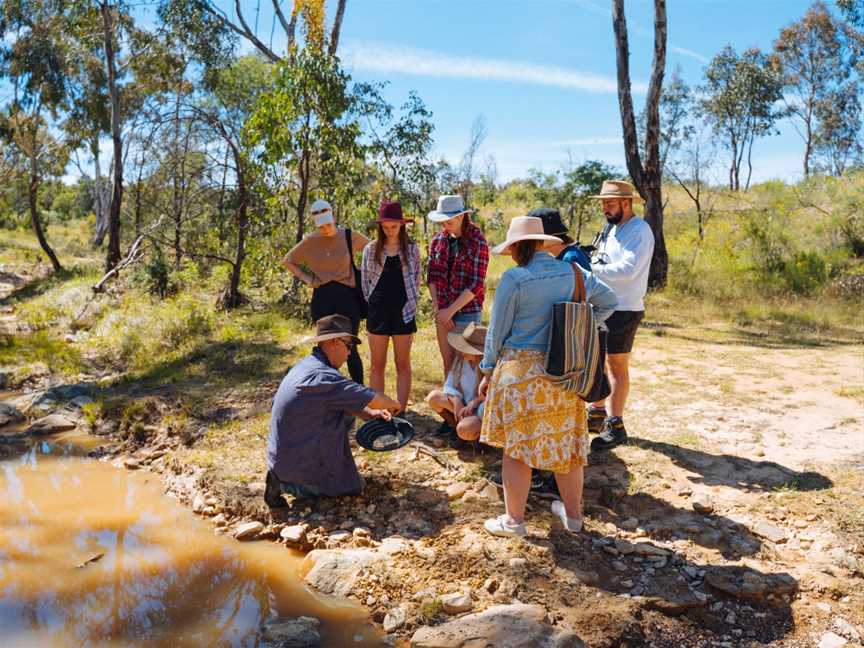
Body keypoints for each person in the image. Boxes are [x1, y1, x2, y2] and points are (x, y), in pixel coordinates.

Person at [478, 216, 617, 538]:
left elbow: (497, 333)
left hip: (520, 372)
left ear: (514, 248)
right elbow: (609, 300)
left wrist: (486, 370)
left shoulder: (515, 278)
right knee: (568, 448)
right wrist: (581, 325)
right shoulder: (572, 271)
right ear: (541, 242)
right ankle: (574, 517)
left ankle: (514, 522)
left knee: (518, 450)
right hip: (565, 371)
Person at [265, 315, 401, 506]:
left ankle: (283, 479)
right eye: (349, 347)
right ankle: (307, 483)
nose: (349, 354)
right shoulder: (324, 377)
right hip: (296, 470)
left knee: (343, 413)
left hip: (278, 460)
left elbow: (347, 400)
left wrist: (371, 414)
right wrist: (395, 405)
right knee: (354, 487)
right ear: (335, 342)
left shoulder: (307, 365)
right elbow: (374, 397)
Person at [586, 181, 655, 452]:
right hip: (602, 304)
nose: (605, 208)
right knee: (597, 360)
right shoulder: (609, 229)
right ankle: (598, 411)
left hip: (624, 307)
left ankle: (616, 424)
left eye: (610, 203)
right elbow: (603, 260)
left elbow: (628, 269)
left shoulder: (640, 230)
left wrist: (588, 269)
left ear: (627, 203)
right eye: (603, 203)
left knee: (617, 366)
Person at [282, 199, 369, 384]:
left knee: (350, 347)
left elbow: (373, 250)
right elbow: (288, 260)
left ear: (334, 217)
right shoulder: (310, 241)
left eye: (328, 224)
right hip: (322, 297)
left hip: (348, 297)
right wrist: (308, 279)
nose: (326, 228)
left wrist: (366, 273)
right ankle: (325, 390)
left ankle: (360, 393)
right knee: (324, 348)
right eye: (321, 226)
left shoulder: (349, 235)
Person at [360, 201, 421, 414]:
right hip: (378, 311)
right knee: (377, 364)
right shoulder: (370, 249)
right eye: (385, 226)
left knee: (402, 363)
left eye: (393, 226)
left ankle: (401, 411)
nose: (389, 230)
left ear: (402, 225)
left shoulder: (412, 250)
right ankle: (380, 411)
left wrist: (411, 303)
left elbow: (416, 278)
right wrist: (374, 303)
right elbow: (365, 280)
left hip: (404, 310)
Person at [426, 195, 490, 383]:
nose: (445, 225)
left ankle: (469, 410)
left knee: (468, 366)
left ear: (461, 217)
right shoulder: (438, 240)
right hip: (443, 313)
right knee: (448, 364)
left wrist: (450, 311)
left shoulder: (478, 242)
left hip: (467, 312)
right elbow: (432, 277)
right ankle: (452, 407)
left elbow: (476, 284)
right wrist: (440, 311)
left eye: (449, 221)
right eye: (442, 221)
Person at [425, 322, 487, 444]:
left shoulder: (487, 368)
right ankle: (455, 428)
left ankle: (478, 438)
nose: (461, 350)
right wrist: (456, 401)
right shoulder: (460, 361)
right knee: (434, 397)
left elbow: (491, 393)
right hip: (463, 405)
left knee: (465, 429)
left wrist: (475, 402)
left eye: (466, 348)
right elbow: (449, 385)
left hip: (479, 410)